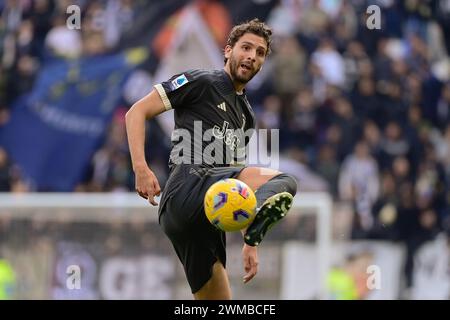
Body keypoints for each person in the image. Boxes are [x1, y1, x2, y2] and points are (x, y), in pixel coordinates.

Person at [125, 19, 297, 299]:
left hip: (205, 217)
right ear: (228, 51)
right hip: (189, 186)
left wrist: (249, 243)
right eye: (246, 48)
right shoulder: (203, 81)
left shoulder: (248, 117)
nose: (252, 56)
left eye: (260, 52)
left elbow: (238, 186)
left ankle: (253, 231)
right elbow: (136, 112)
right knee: (284, 181)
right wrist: (141, 167)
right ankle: (255, 228)